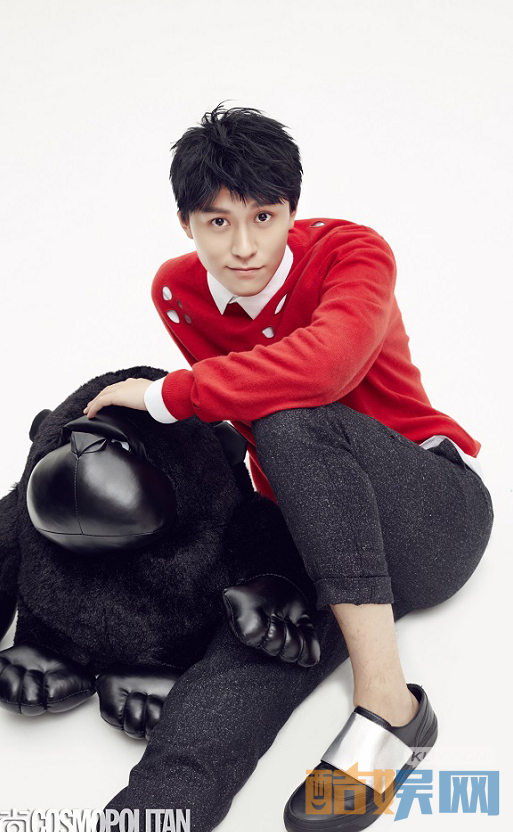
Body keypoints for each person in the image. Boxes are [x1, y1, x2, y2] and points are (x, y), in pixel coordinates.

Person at [84, 103, 494, 831]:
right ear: (186, 224)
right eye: (217, 222)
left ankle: (392, 707)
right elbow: (235, 412)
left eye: (264, 218)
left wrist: (164, 396)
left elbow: (321, 370)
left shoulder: (353, 253)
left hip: (429, 516)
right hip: (314, 532)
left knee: (288, 414)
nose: (243, 247)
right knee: (235, 668)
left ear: (292, 212)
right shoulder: (177, 292)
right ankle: (147, 817)